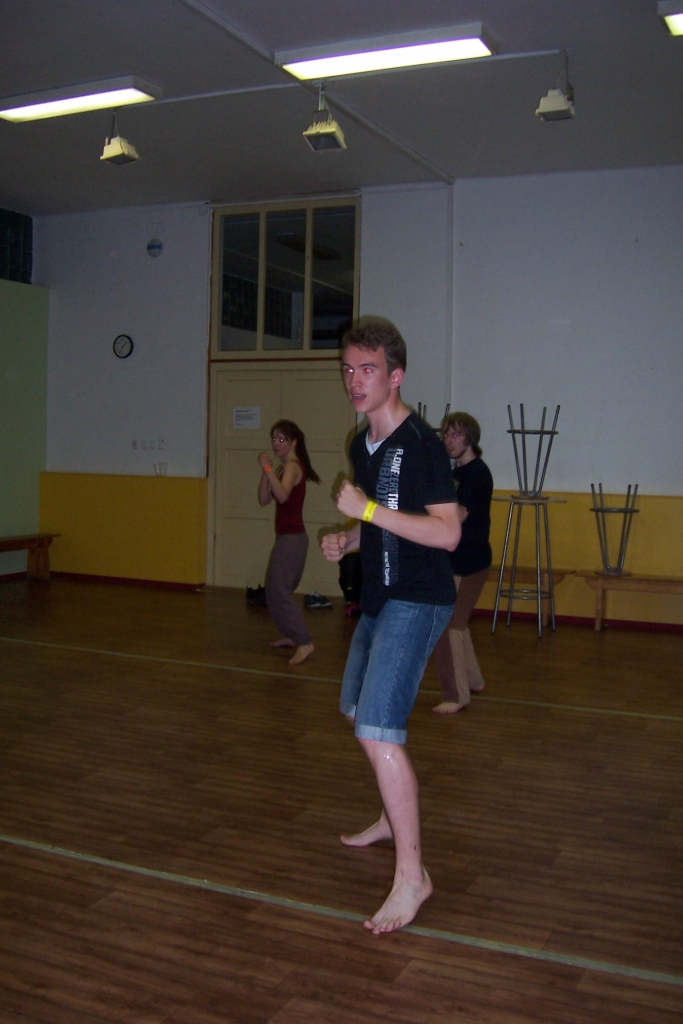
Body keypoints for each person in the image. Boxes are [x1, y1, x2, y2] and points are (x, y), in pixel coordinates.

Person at [321, 317, 461, 935]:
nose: (355, 380)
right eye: (349, 369)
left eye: (368, 369)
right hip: (379, 599)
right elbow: (382, 524)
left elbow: (447, 532)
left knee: (379, 730)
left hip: (419, 600)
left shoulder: (423, 444)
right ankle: (389, 814)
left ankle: (413, 878)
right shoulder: (363, 444)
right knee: (359, 714)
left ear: (396, 375)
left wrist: (369, 510)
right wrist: (349, 537)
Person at [432, 413, 493, 714]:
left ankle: (456, 696)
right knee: (456, 624)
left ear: (470, 438)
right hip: (462, 560)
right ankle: (473, 680)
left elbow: (457, 516)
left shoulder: (476, 473)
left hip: (468, 563)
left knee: (447, 627)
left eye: (455, 434)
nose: (449, 440)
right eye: (446, 434)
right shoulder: (459, 473)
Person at [258, 419, 320, 666]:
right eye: (274, 438)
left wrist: (268, 469)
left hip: (293, 539)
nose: (276, 443)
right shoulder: (282, 469)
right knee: (274, 589)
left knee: (279, 590)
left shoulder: (293, 467)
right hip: (286, 537)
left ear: (293, 442)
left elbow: (282, 496)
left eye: (281, 439)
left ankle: (305, 642)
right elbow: (264, 499)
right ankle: (292, 636)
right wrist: (266, 473)